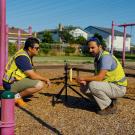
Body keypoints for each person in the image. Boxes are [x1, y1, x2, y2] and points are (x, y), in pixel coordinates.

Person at [77, 37, 127, 115]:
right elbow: (96, 76)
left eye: (93, 47)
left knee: (93, 85)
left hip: (119, 87)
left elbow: (99, 77)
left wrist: (83, 78)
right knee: (84, 87)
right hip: (111, 86)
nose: (90, 50)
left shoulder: (105, 57)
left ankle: (110, 106)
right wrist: (85, 81)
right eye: (89, 48)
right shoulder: (97, 58)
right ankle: (106, 101)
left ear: (100, 47)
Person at [3, 37, 51, 107]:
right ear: (30, 48)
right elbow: (32, 75)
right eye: (36, 48)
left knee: (35, 80)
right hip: (10, 84)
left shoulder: (24, 53)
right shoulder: (23, 57)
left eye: (39, 48)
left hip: (12, 80)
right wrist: (46, 79)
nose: (38, 50)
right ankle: (16, 98)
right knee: (39, 84)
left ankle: (16, 95)